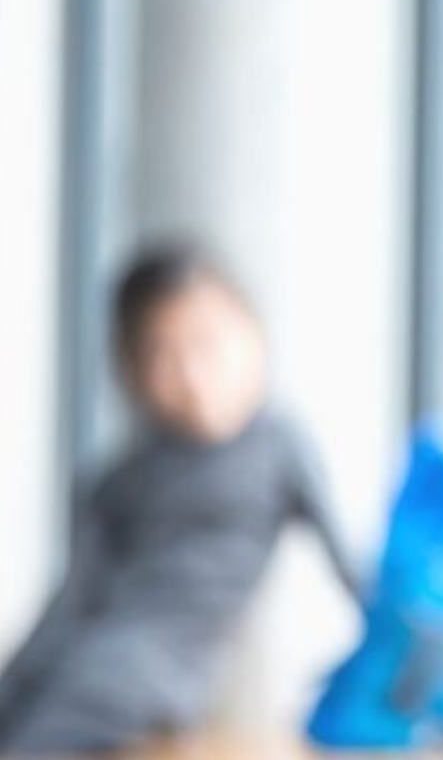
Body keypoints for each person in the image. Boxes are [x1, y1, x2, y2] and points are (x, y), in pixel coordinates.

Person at [0, 244, 360, 753]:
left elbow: (358, 576)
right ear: (129, 370)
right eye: (162, 355)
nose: (191, 376)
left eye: (207, 345)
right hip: (85, 660)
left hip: (153, 681)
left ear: (253, 336)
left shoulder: (279, 448)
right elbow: (69, 607)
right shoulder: (121, 477)